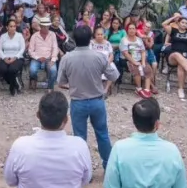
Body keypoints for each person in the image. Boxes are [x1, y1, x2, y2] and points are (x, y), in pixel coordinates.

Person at [59, 25, 120, 170]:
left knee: (79, 138)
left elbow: (61, 82)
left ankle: (84, 169)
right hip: (97, 101)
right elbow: (114, 75)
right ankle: (108, 167)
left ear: (74, 39)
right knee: (103, 135)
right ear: (90, 38)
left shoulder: (67, 58)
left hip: (78, 102)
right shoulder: (99, 56)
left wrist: (73, 85)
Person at [162, 14, 187, 101]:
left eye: (186, 23)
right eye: (182, 22)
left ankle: (181, 89)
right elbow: (163, 24)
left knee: (181, 66)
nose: (184, 24)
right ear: (178, 23)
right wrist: (174, 18)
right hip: (173, 56)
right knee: (177, 54)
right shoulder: (173, 31)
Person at [120, 23, 153, 98]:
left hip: (140, 59)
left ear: (136, 30)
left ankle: (147, 90)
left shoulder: (139, 40)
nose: (131, 30)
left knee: (147, 69)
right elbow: (125, 53)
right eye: (130, 29)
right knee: (136, 69)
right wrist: (134, 62)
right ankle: (139, 88)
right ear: (127, 30)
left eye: (133, 28)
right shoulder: (124, 40)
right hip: (128, 60)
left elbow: (143, 51)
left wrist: (143, 62)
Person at [0, 19, 26, 95]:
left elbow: (22, 48)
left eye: (14, 26)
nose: (13, 28)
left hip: (17, 57)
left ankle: (12, 88)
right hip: (6, 57)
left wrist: (15, 57)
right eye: (11, 26)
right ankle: (14, 83)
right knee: (2, 69)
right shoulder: (3, 36)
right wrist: (4, 58)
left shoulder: (19, 36)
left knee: (12, 69)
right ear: (7, 27)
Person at [27, 22, 60, 91]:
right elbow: (30, 50)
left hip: (49, 58)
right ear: (40, 26)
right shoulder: (35, 36)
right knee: (32, 70)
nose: (45, 28)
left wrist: (53, 59)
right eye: (44, 26)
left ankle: (50, 87)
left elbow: (55, 48)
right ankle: (34, 80)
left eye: (47, 26)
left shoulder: (52, 34)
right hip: (37, 59)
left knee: (54, 71)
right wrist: (38, 57)